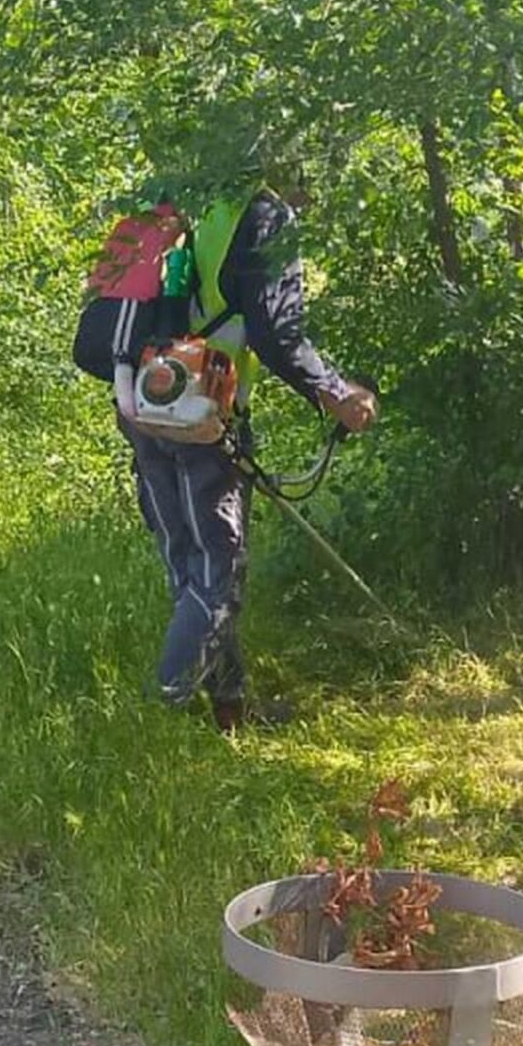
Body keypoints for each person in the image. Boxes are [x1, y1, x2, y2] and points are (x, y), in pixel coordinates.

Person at [97, 163, 376, 732]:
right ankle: (161, 710)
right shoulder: (262, 214)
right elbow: (278, 333)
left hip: (142, 401)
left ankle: (230, 714)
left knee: (188, 565)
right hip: (202, 411)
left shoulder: (179, 198)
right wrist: (337, 392)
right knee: (218, 572)